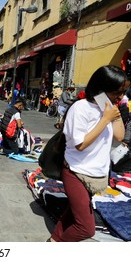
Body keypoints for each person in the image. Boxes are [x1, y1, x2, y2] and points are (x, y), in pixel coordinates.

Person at [48, 65, 126, 242]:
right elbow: (80, 144)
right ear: (102, 89)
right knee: (86, 228)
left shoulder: (108, 108)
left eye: (123, 92)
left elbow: (119, 136)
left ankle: (54, 240)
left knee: (71, 215)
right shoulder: (81, 108)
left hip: (95, 174)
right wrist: (105, 119)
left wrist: (114, 113)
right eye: (117, 93)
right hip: (76, 172)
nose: (120, 97)